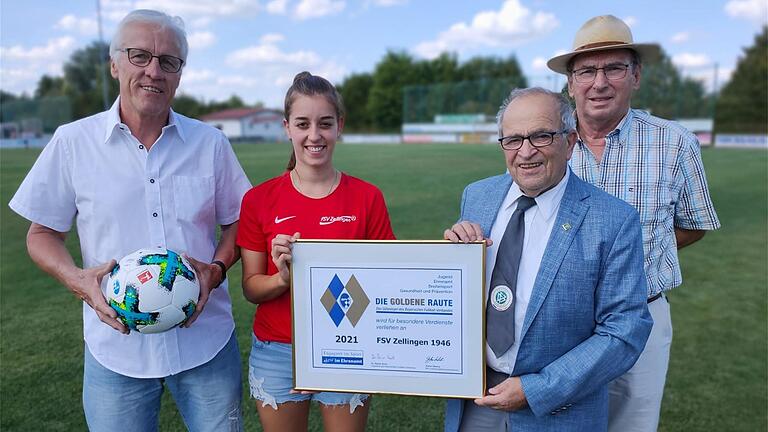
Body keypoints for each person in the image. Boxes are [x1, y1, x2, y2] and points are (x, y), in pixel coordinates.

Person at [8, 9, 251, 431]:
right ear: (114, 63)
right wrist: (76, 278)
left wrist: (214, 270)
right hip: (114, 351)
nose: (154, 71)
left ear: (179, 74)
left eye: (169, 61)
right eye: (140, 56)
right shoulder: (73, 142)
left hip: (205, 343)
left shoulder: (210, 143)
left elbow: (239, 223)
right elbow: (42, 233)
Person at [547, 15, 721, 431]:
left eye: (614, 68)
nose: (599, 82)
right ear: (570, 83)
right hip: (559, 321)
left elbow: (693, 223)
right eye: (586, 70)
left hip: (640, 316)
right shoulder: (546, 141)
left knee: (632, 425)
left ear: (636, 75)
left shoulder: (674, 142)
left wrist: (629, 259)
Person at [442, 87, 653, 431]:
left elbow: (625, 330)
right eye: (512, 140)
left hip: (558, 413)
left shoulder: (614, 219)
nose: (525, 152)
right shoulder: (477, 196)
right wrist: (451, 257)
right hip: (474, 402)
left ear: (569, 142)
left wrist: (538, 389)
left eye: (541, 136)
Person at [237, 71, 396, 432]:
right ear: (287, 127)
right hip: (279, 350)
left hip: (349, 344)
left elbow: (388, 280)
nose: (314, 135)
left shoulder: (367, 197)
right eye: (303, 124)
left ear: (339, 125)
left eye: (325, 123)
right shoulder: (258, 200)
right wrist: (281, 279)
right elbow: (250, 288)